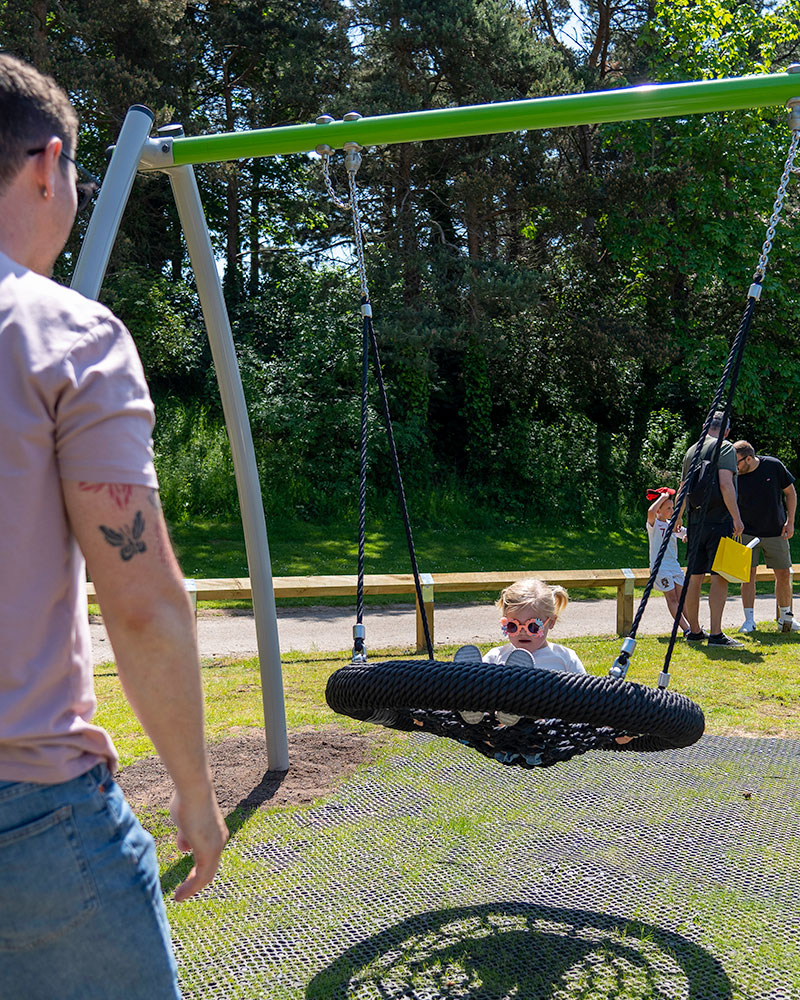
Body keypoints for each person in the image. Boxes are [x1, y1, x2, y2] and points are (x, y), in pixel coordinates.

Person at [0, 55, 228, 997]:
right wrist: (196, 788)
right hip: (28, 816)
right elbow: (138, 605)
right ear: (48, 165)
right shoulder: (65, 336)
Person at [679, 411, 745, 648]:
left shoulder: (692, 450)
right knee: (720, 577)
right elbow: (726, 484)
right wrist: (737, 518)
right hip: (719, 521)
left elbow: (683, 487)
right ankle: (716, 634)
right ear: (726, 431)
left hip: (696, 521)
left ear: (707, 425)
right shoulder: (725, 447)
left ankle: (695, 631)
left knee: (694, 577)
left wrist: (678, 516)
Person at [733, 440, 798, 633]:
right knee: (747, 576)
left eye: (737, 462)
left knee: (784, 573)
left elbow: (790, 493)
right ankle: (749, 621)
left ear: (749, 458)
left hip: (775, 531)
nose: (735, 467)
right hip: (745, 532)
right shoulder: (733, 473)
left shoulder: (773, 465)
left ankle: (785, 619)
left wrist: (790, 521)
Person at [482, 578, 586, 671]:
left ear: (551, 622)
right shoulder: (495, 658)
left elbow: (586, 690)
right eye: (513, 626)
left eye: (532, 627)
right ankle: (471, 671)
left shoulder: (565, 659)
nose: (522, 633)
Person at [645, 487, 691, 634]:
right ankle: (687, 629)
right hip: (661, 568)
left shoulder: (672, 525)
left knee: (682, 598)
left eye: (672, 508)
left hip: (674, 566)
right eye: (668, 508)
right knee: (672, 599)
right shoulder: (654, 525)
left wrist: (686, 536)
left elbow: (686, 532)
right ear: (659, 510)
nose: (672, 511)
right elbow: (651, 512)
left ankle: (695, 628)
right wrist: (663, 497)